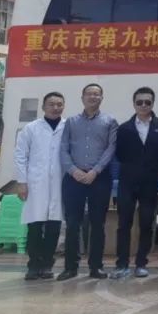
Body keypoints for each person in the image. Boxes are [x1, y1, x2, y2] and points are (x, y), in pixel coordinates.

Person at [58, 83, 118, 281]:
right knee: (72, 223)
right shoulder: (71, 122)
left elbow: (111, 148)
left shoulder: (110, 121)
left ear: (102, 98)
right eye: (89, 94)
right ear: (82, 97)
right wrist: (73, 170)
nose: (93, 97)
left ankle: (96, 266)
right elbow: (63, 148)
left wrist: (95, 171)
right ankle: (70, 267)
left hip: (99, 178)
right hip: (73, 178)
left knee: (97, 224)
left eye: (96, 94)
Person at [113, 87, 158, 279]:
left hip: (150, 182)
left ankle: (141, 264)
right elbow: (119, 154)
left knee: (146, 223)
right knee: (124, 224)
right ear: (134, 104)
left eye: (148, 102)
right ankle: (121, 264)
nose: (144, 105)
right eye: (140, 102)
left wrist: (150, 168)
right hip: (127, 182)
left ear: (152, 104)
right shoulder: (124, 128)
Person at [14, 92, 66, 281]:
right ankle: (33, 265)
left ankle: (47, 265)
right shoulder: (31, 128)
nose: (55, 107)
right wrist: (22, 182)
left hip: (59, 184)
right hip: (36, 184)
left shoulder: (67, 127)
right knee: (35, 227)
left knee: (54, 227)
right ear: (43, 107)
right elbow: (20, 155)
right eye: (51, 104)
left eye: (59, 104)